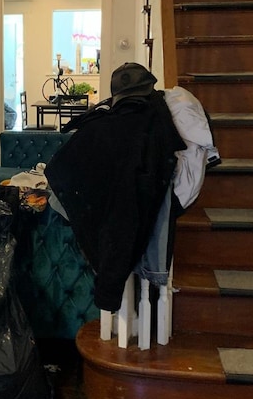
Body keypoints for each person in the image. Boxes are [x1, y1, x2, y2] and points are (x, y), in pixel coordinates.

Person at [45, 63, 186, 312]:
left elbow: (58, 170)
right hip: (127, 214)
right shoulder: (157, 125)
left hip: (107, 215)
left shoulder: (99, 128)